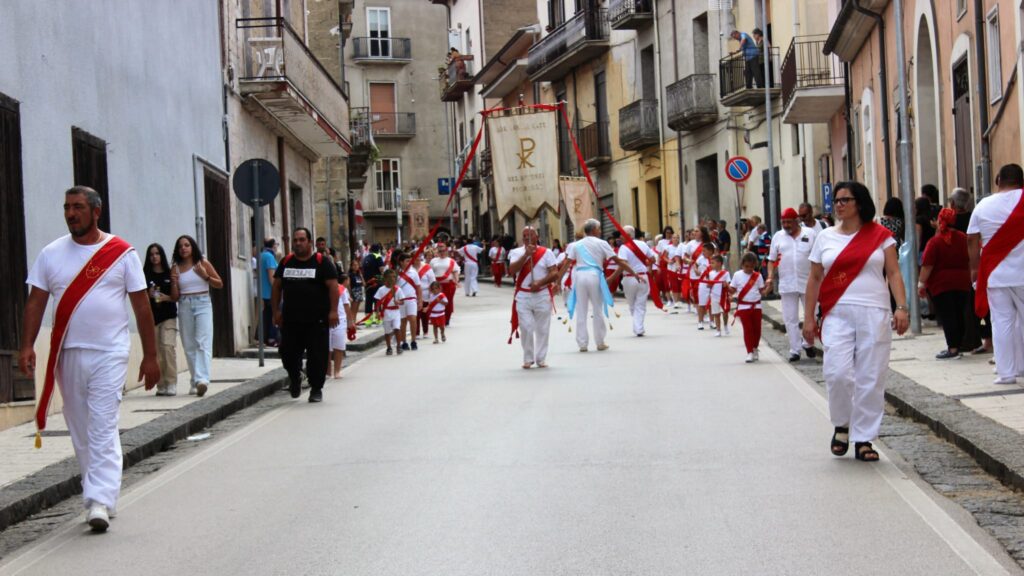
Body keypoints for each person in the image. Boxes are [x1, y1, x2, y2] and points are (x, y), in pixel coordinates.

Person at [20, 185, 160, 532]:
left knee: (101, 423)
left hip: (110, 353)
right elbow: (36, 302)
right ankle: (98, 489)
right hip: (68, 353)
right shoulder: (51, 254)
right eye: (67, 207)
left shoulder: (121, 253)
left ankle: (99, 499)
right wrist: (26, 346)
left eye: (78, 207)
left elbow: (141, 305)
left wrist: (151, 356)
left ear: (96, 211)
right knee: (80, 426)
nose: (70, 213)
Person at [802, 181, 910, 463]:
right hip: (837, 313)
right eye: (836, 200)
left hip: (875, 312)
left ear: (859, 203)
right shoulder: (824, 238)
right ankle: (842, 423)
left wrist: (901, 307)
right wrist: (808, 318)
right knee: (837, 372)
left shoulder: (880, 235)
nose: (838, 204)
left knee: (870, 377)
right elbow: (814, 279)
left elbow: (894, 273)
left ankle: (864, 438)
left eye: (845, 199)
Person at [968, 163, 1024, 385]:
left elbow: (971, 238)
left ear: (998, 180)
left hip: (995, 274)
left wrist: (974, 268)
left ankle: (1006, 373)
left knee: (1002, 322)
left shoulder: (983, 205)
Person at [272, 227, 339, 403]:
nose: (298, 243)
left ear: (310, 242)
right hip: (291, 320)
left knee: (317, 356)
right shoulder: (286, 262)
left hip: (316, 320)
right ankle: (295, 377)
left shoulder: (322, 262)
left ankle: (316, 388)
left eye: (302, 240)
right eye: (296, 240)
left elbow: (333, 287)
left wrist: (333, 311)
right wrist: (276, 312)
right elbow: (277, 287)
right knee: (287, 354)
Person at [567, 219, 635, 352]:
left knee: (581, 310)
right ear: (593, 230)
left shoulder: (576, 244)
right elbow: (617, 261)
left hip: (579, 276)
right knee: (597, 309)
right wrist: (633, 272)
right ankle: (600, 341)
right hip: (594, 275)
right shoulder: (602, 243)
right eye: (599, 228)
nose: (600, 231)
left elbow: (566, 263)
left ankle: (582, 343)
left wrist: (558, 281)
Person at [171, 235, 223, 397]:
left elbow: (219, 283)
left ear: (192, 247)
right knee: (188, 345)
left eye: (187, 245)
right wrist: (173, 281)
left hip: (202, 303)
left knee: (203, 342)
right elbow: (174, 296)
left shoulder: (202, 263)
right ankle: (195, 380)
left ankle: (202, 380)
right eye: (180, 246)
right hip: (184, 303)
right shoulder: (176, 267)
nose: (184, 248)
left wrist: (204, 275)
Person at [919, 208, 972, 359]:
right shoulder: (963, 237)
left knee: (948, 316)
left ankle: (953, 348)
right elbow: (970, 258)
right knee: (959, 314)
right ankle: (958, 344)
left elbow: (927, 265)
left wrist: (921, 284)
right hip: (962, 281)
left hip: (941, 284)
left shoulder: (935, 241)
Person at [767, 207, 817, 362]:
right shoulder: (778, 237)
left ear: (797, 221)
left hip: (808, 282)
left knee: (812, 315)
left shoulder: (810, 234)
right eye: (783, 222)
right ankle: (795, 350)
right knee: (790, 318)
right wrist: (769, 277)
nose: (786, 225)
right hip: (787, 282)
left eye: (789, 222)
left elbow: (818, 257)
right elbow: (771, 260)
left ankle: (808, 343)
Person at [508, 226, 560, 368]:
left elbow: (554, 272)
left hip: (542, 294)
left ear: (536, 237)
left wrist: (540, 282)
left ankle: (541, 358)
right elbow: (512, 270)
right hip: (523, 295)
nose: (526, 238)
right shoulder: (516, 252)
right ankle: (528, 358)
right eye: (524, 235)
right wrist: (526, 255)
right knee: (526, 326)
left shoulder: (546, 252)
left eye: (530, 235)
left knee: (543, 328)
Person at [143, 243, 179, 396]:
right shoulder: (145, 275)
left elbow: (176, 296)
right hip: (152, 318)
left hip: (169, 316)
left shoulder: (169, 273)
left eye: (157, 253)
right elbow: (139, 298)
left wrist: (167, 297)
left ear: (161, 255)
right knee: (156, 352)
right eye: (151, 254)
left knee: (167, 348)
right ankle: (161, 384)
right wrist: (148, 295)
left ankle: (171, 382)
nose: (154, 257)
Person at [616, 225, 658, 337]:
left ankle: (638, 327)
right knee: (640, 303)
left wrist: (613, 277)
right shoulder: (643, 244)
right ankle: (638, 326)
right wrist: (647, 267)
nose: (620, 236)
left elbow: (622, 264)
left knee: (632, 304)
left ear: (628, 235)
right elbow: (653, 259)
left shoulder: (624, 248)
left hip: (629, 277)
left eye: (622, 234)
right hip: (643, 276)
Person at [730, 252, 767, 363]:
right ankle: (749, 351)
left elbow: (762, 292)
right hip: (743, 306)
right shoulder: (737, 275)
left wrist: (768, 288)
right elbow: (733, 289)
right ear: (742, 265)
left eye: (751, 267)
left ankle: (755, 348)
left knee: (757, 330)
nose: (749, 269)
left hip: (756, 306)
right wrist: (727, 288)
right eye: (746, 266)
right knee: (748, 329)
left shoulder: (758, 276)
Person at [375, 270, 408, 355]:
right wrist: (377, 312)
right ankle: (389, 347)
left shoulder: (398, 289)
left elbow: (402, 302)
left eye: (394, 277)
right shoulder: (381, 289)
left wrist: (398, 302)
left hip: (396, 311)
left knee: (397, 328)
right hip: (386, 312)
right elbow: (377, 302)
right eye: (391, 277)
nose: (393, 279)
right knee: (387, 332)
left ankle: (398, 346)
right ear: (385, 278)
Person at [395, 251, 422, 351]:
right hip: (401, 300)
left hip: (411, 299)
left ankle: (413, 341)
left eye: (410, 261)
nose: (409, 263)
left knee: (413, 319)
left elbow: (418, 287)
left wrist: (420, 300)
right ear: (401, 262)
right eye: (407, 261)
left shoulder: (413, 272)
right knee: (403, 321)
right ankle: (404, 342)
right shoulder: (396, 273)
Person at [702, 254, 731, 337]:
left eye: (713, 263)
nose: (711, 265)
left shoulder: (726, 273)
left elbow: (729, 283)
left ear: (719, 263)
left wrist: (726, 285)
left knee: (725, 312)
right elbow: (710, 285)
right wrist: (708, 284)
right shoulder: (711, 274)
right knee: (716, 313)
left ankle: (725, 325)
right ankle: (718, 330)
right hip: (714, 295)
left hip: (723, 296)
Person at [329, 273, 352, 379]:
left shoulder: (342, 289)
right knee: (326, 349)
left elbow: (346, 305)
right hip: (325, 320)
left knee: (338, 347)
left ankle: (337, 371)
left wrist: (350, 322)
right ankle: (328, 372)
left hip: (341, 319)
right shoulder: (320, 287)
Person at [431, 243, 460, 325]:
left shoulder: (451, 261)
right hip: (437, 285)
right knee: (436, 301)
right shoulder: (433, 261)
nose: (442, 252)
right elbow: (430, 272)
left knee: (448, 302)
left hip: (448, 284)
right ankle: (437, 317)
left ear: (446, 251)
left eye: (443, 250)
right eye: (440, 251)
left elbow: (455, 272)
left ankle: (447, 319)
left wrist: (456, 281)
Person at [258, 238, 279, 346]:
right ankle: (271, 337)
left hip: (263, 291)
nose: (277, 247)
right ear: (273, 245)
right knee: (273, 314)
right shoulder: (270, 257)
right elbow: (271, 277)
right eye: (276, 244)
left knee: (266, 314)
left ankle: (262, 337)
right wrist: (278, 289)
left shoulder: (261, 255)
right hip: (270, 292)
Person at [362, 244, 386, 321]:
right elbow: (381, 269)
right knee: (377, 300)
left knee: (368, 300)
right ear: (378, 250)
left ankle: (368, 320)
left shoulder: (366, 257)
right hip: (377, 281)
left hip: (368, 282)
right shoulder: (378, 256)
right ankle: (378, 318)